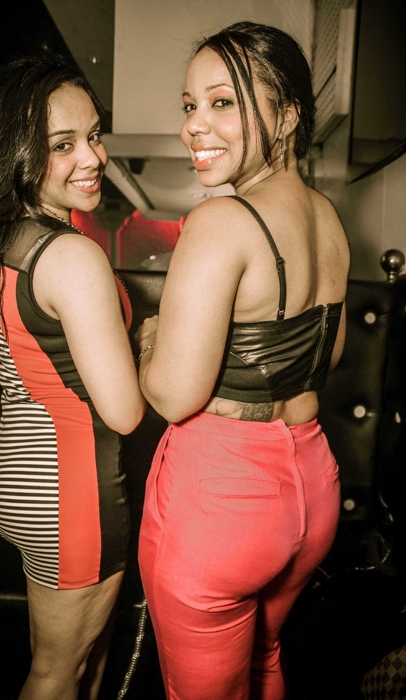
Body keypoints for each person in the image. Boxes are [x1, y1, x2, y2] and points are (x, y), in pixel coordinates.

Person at [137, 21, 350, 700]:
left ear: (286, 116)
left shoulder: (220, 222)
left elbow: (173, 395)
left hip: (222, 502)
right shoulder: (327, 217)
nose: (193, 126)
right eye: (189, 105)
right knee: (264, 660)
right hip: (312, 485)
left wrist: (150, 340)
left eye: (222, 102)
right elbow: (327, 357)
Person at [0, 54, 146, 700]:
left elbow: (44, 356)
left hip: (17, 473)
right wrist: (159, 346)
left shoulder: (1, 239)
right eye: (63, 145)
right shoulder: (71, 256)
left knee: (67, 665)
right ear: (17, 154)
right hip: (70, 489)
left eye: (93, 135)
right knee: (60, 674)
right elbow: (124, 412)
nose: (93, 157)